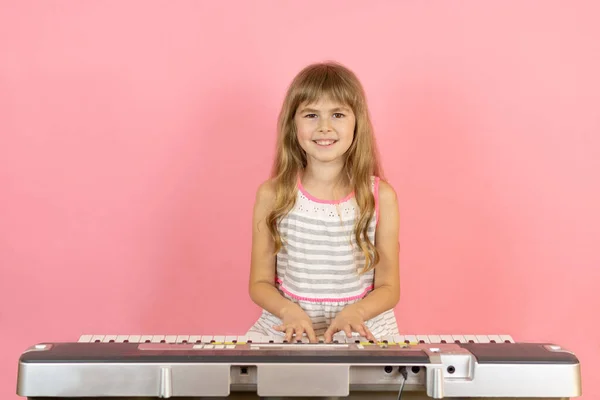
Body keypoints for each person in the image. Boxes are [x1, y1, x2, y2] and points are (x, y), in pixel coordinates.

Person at [247, 61, 400, 344]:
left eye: (338, 114)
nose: (325, 127)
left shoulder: (382, 197)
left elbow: (389, 287)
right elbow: (259, 283)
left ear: (358, 123)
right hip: (289, 325)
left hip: (361, 325)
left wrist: (357, 312)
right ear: (293, 123)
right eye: (311, 115)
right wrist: (288, 311)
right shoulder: (273, 194)